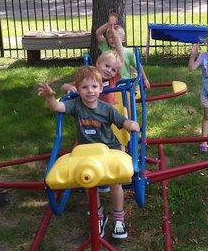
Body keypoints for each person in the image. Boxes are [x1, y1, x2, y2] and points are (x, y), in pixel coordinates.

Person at [38, 66, 140, 239]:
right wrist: (50, 97)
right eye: (85, 87)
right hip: (86, 153)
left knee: (116, 183)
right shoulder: (76, 105)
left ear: (101, 88)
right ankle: (99, 215)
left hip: (109, 150)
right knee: (87, 181)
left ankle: (119, 218)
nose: (90, 91)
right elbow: (57, 107)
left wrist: (131, 125)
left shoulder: (106, 108)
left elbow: (122, 122)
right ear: (78, 89)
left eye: (94, 87)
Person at [96, 12, 151, 89]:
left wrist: (144, 79)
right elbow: (98, 33)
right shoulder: (105, 47)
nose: (114, 39)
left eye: (116, 36)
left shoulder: (128, 52)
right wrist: (109, 24)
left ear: (123, 39)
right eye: (111, 37)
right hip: (106, 82)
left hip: (124, 83)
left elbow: (138, 66)